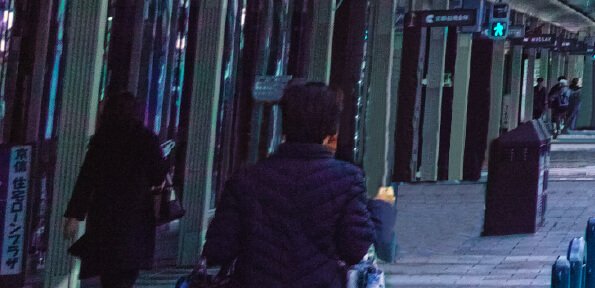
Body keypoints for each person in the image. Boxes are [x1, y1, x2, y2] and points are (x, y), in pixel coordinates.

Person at [202, 83, 381, 288]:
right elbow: (355, 248)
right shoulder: (348, 179)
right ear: (331, 128)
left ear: (285, 123)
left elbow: (219, 249)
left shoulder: (245, 179)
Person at [67, 93, 172, 288]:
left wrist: (74, 215)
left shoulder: (102, 140)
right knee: (127, 271)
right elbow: (158, 174)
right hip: (136, 215)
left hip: (105, 216)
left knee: (109, 271)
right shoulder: (147, 139)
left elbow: (86, 179)